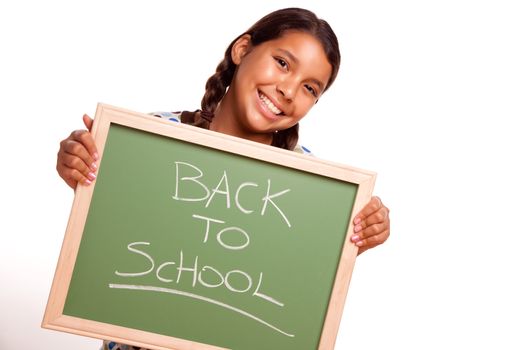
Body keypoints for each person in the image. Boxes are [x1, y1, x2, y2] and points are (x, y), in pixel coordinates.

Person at [56, 7, 390, 350]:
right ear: (242, 49)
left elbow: (299, 289)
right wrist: (84, 170)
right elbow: (114, 237)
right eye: (283, 63)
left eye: (309, 88)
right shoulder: (155, 138)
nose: (289, 90)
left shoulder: (315, 191)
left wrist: (358, 233)